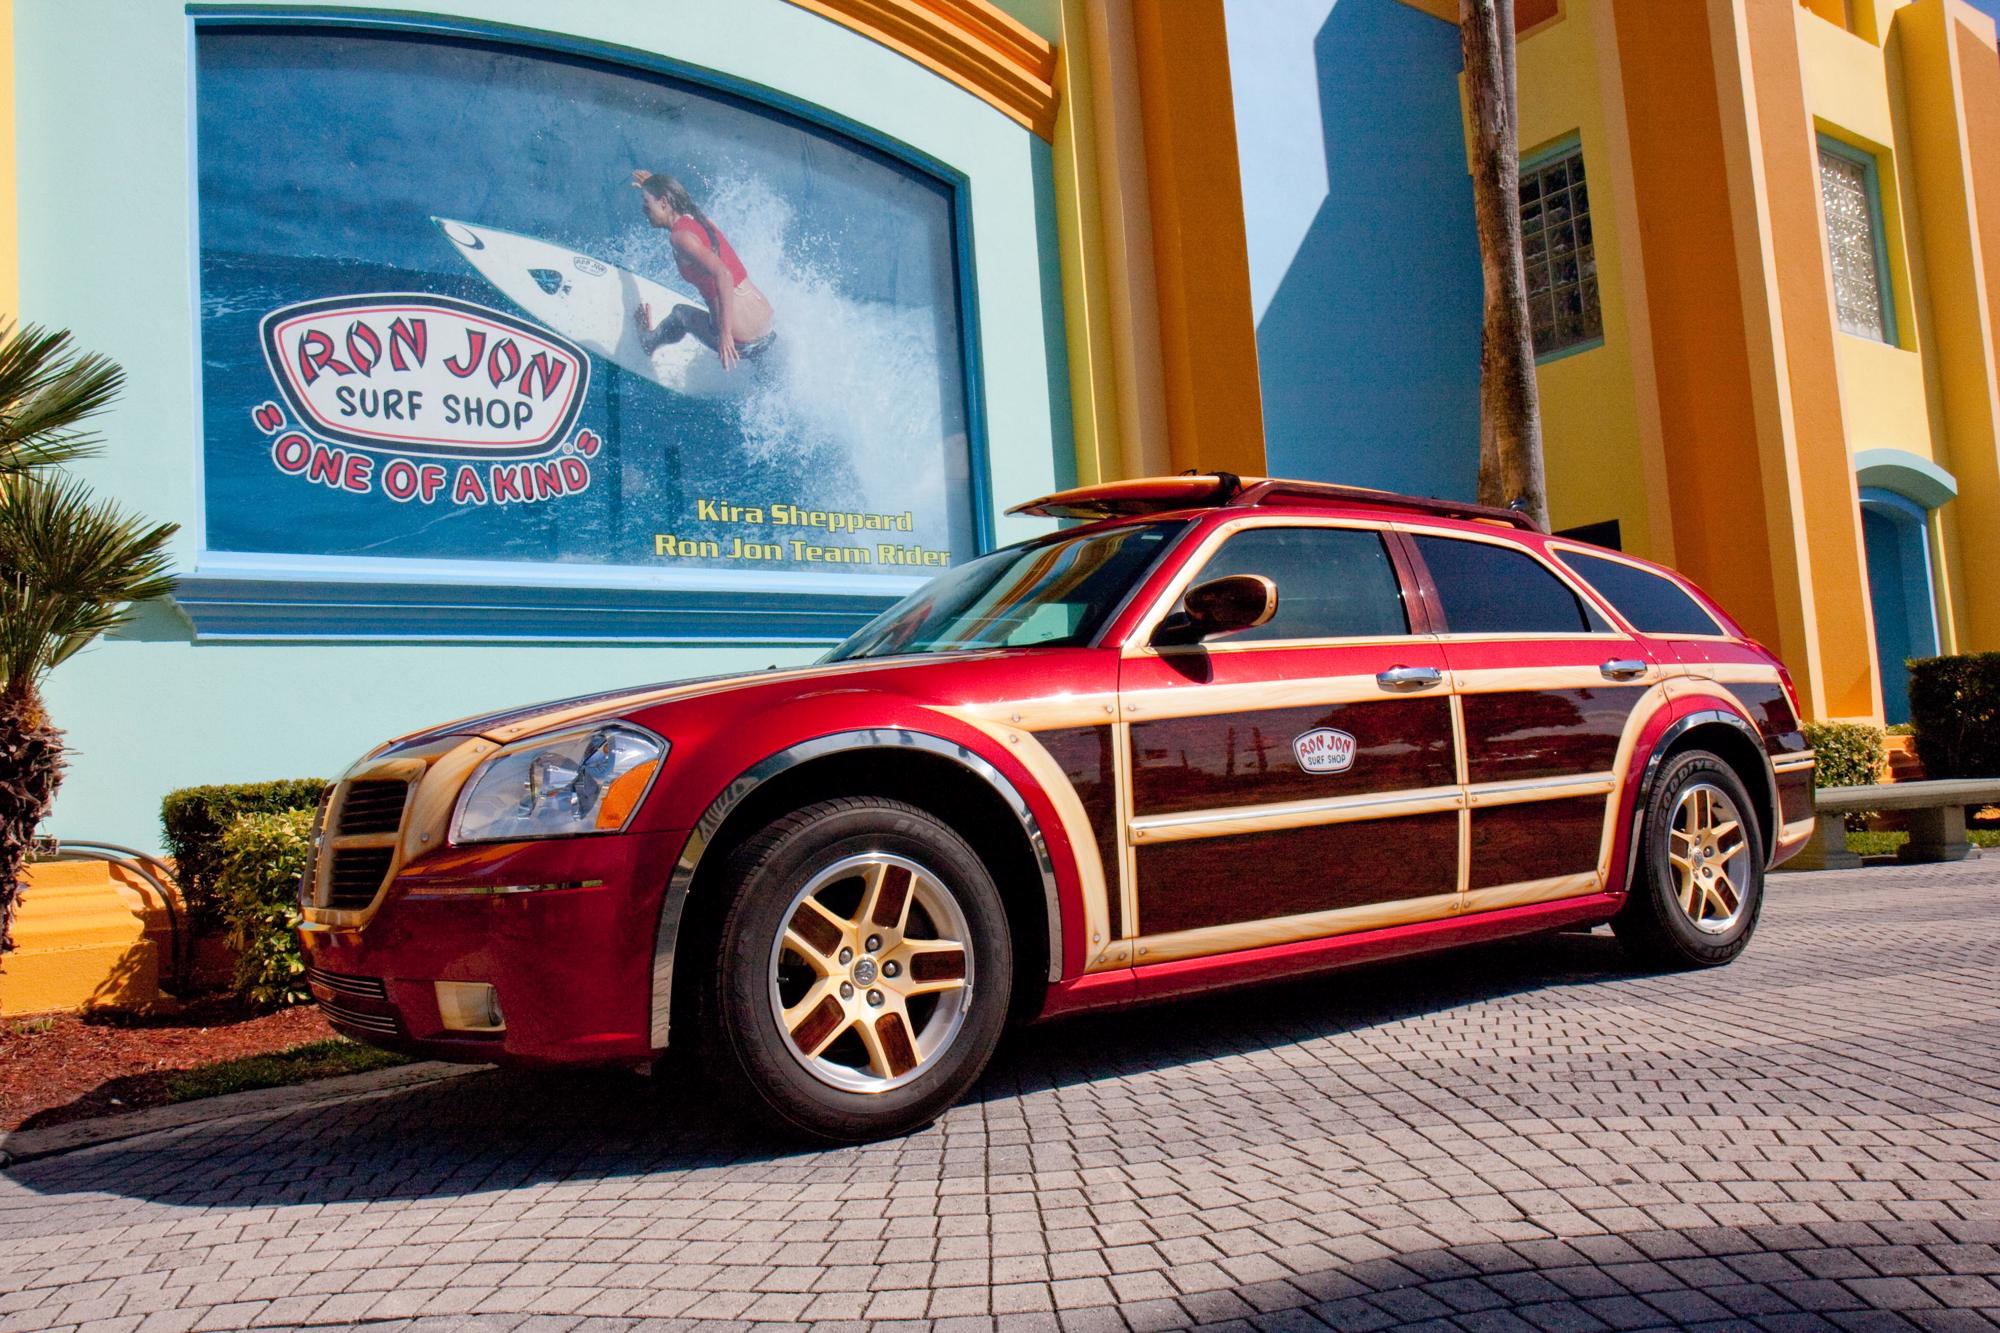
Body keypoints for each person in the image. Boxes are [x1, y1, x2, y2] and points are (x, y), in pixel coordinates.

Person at [630, 169, 776, 370]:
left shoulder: (680, 237)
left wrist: (725, 336)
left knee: (680, 313)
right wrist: (652, 184)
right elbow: (681, 200)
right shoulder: (698, 218)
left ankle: (649, 342)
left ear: (664, 202)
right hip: (767, 325)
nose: (644, 211)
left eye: (647, 205)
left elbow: (724, 274)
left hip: (741, 340)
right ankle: (763, 369)